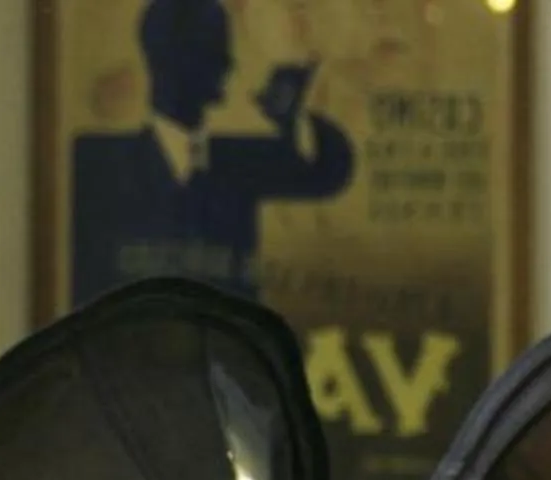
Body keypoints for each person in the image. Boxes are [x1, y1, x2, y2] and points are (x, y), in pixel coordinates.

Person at [68, 0, 355, 306]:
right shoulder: (97, 164)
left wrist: (291, 117)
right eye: (212, 49)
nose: (229, 62)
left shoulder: (239, 160)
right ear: (171, 61)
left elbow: (326, 173)